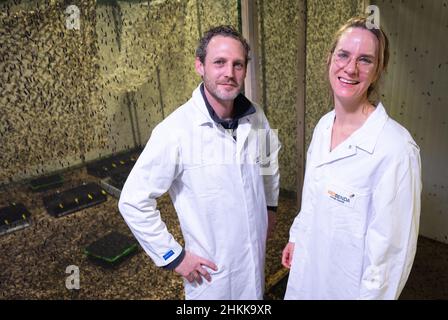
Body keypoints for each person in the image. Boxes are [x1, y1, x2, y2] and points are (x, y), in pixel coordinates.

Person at [119, 25, 280, 300]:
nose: (229, 73)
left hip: (253, 260)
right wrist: (174, 256)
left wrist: (270, 208)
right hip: (210, 275)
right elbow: (133, 201)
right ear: (199, 66)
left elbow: (269, 162)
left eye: (238, 64)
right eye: (219, 62)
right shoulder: (175, 131)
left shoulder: (257, 116)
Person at [282, 16, 421, 300]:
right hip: (307, 276)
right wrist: (297, 237)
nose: (350, 68)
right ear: (330, 58)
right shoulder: (324, 126)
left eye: (365, 60)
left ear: (379, 70)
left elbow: (390, 258)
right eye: (343, 55)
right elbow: (311, 197)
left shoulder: (395, 149)